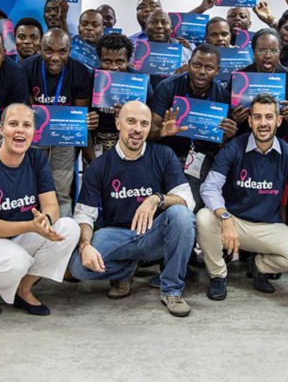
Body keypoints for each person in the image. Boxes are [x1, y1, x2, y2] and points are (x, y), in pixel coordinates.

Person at [68, 101, 196, 317]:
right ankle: (126, 269)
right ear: (118, 123)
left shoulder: (163, 155)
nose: (137, 129)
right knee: (78, 267)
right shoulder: (100, 165)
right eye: (131, 121)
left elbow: (188, 200)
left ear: (149, 128)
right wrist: (84, 246)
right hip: (117, 237)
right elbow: (84, 215)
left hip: (154, 236)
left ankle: (172, 289)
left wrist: (156, 199)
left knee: (182, 215)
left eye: (144, 123)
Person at [0, 103, 78, 316]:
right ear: (1, 129)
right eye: (13, 124)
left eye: (27, 125)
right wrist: (32, 226)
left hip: (18, 235)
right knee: (17, 262)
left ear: (34, 132)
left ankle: (23, 289)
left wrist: (45, 220)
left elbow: (51, 205)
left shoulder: (37, 159)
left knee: (69, 228)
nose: (20, 130)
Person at [198, 93, 288, 300]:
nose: (263, 123)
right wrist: (225, 217)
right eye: (258, 117)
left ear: (279, 121)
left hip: (268, 227)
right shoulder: (234, 147)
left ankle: (260, 266)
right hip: (233, 223)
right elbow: (209, 187)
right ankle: (218, 275)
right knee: (204, 217)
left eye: (269, 117)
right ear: (250, 120)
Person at [148, 44, 238, 211]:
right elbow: (149, 132)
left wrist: (226, 137)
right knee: (158, 204)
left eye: (209, 67)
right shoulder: (168, 87)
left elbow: (220, 147)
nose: (202, 71)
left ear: (217, 70)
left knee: (192, 206)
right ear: (189, 64)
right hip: (167, 153)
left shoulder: (223, 96)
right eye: (197, 65)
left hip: (201, 158)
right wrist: (161, 131)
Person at [21, 28, 94, 217]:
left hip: (64, 140)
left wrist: (89, 155)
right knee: (28, 189)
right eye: (49, 50)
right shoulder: (26, 68)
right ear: (39, 49)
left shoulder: (80, 72)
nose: (55, 57)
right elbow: (24, 110)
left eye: (62, 52)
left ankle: (64, 234)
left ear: (69, 51)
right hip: (34, 138)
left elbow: (80, 114)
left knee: (61, 192)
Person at [93, 33, 153, 153]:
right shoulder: (91, 79)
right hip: (98, 139)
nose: (114, 67)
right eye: (108, 61)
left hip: (132, 140)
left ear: (128, 61)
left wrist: (130, 113)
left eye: (119, 62)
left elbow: (150, 118)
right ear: (100, 60)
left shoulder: (140, 82)